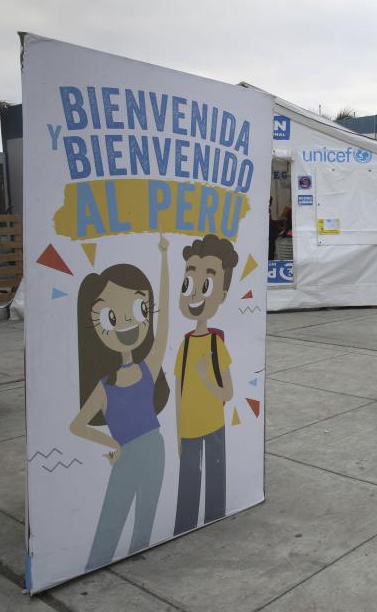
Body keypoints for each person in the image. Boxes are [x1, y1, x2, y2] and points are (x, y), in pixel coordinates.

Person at [70, 237, 170, 570]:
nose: (128, 323)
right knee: (110, 522)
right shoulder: (104, 386)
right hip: (127, 452)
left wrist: (165, 259)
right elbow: (77, 425)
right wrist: (111, 441)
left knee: (145, 522)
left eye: (139, 310)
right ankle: (92, 564)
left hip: (154, 447)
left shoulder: (147, 368)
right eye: (111, 317)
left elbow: (165, 319)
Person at [174, 234, 239, 535]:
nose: (194, 294)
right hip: (187, 428)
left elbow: (228, 392)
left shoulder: (216, 344)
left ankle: (214, 519)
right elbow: (178, 391)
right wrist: (176, 433)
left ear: (222, 295)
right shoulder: (184, 345)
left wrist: (204, 378)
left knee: (216, 483)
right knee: (186, 486)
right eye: (188, 285)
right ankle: (183, 526)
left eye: (206, 286)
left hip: (213, 425)